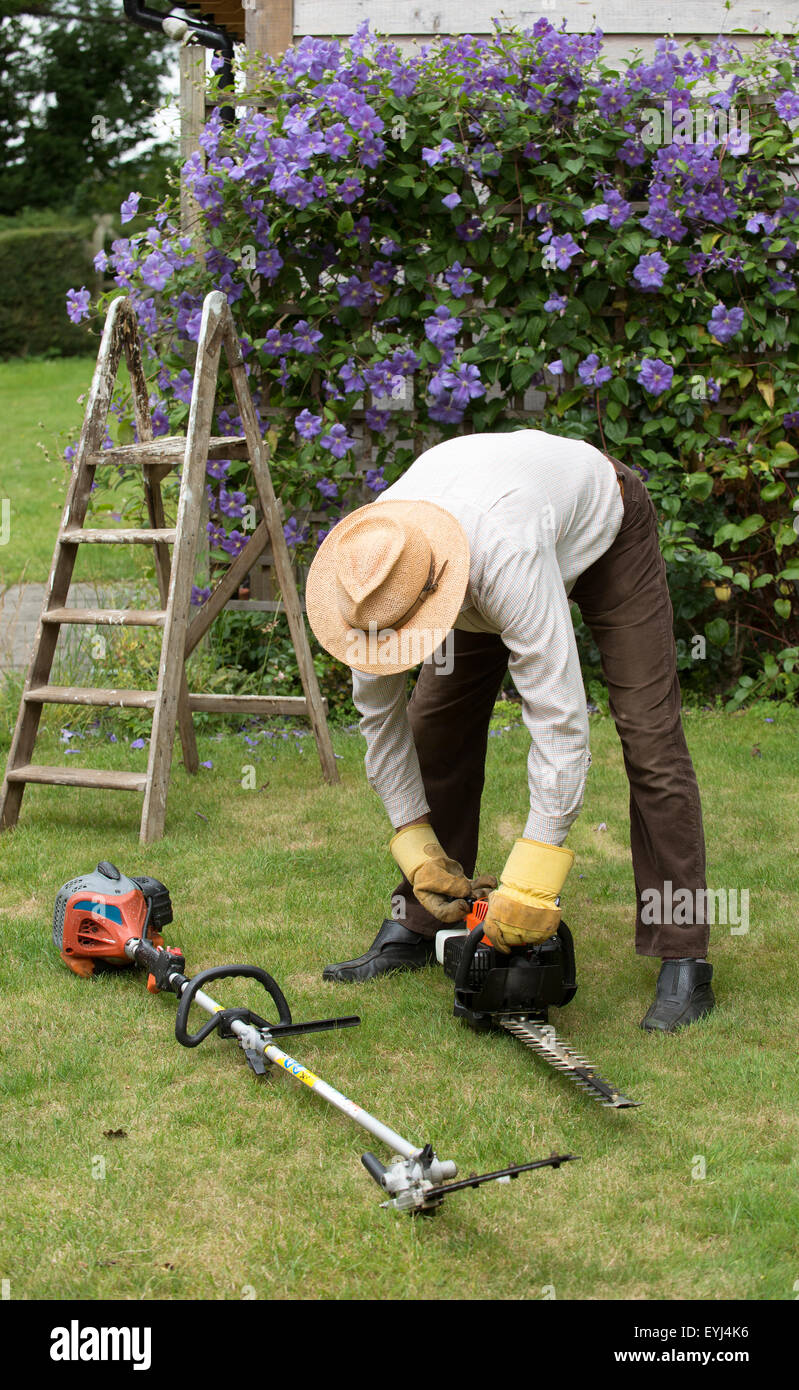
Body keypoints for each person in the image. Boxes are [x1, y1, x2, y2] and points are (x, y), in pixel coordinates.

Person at [305, 429, 715, 1032]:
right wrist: (413, 842)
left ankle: (685, 957)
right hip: (473, 547)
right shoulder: (372, 575)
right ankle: (422, 919)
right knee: (435, 723)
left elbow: (559, 719)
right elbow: (381, 718)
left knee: (649, 737)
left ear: (434, 591)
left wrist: (531, 883)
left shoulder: (506, 559)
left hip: (603, 525)